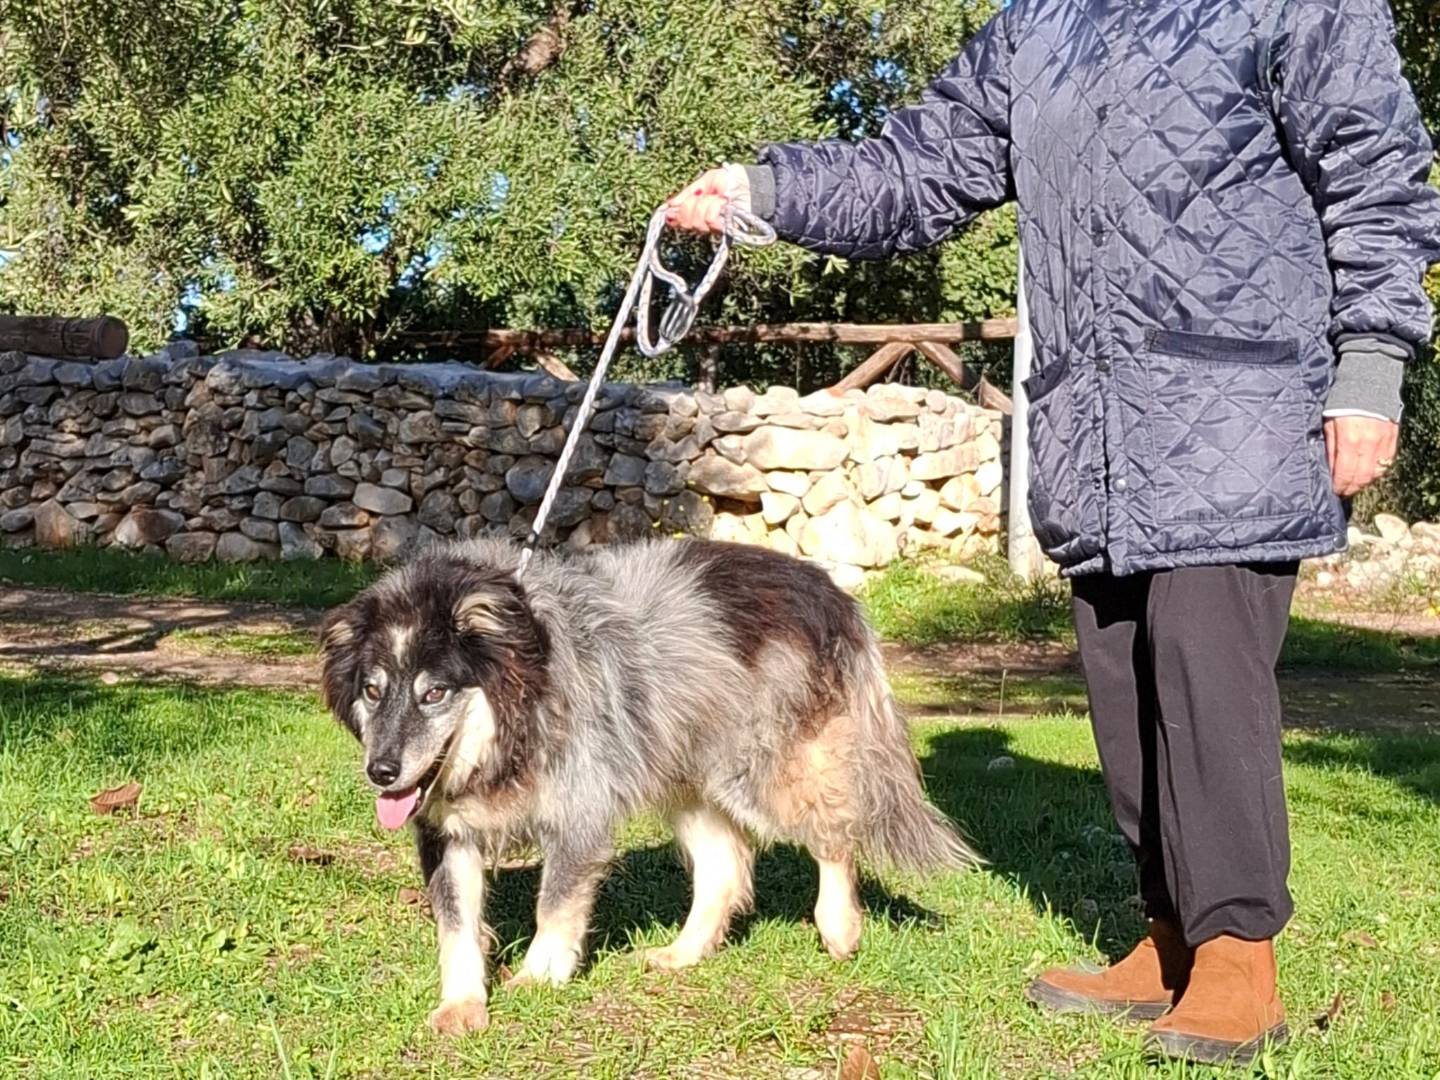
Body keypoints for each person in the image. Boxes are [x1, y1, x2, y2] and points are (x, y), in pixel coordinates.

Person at [666, 0, 1440, 1066]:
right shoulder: (1039, 25)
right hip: (1098, 429)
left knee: (1202, 668)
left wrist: (1372, 365)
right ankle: (1168, 939)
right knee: (1124, 680)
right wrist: (762, 192)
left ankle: (1235, 956)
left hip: (1236, 406)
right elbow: (916, 171)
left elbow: (1379, 168)